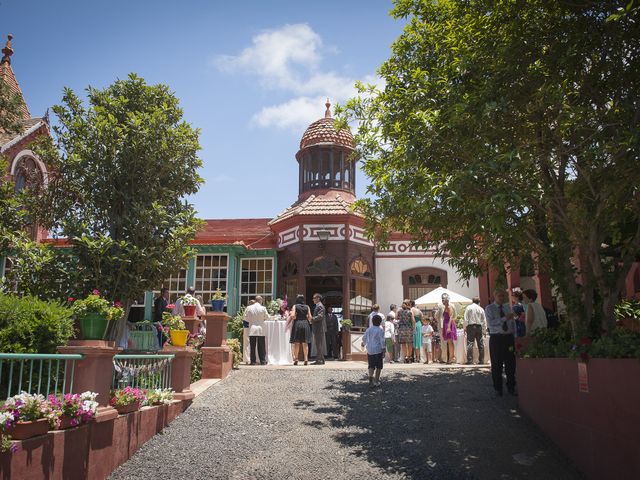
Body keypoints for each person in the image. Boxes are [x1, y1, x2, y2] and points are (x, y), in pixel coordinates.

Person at [485, 290, 517, 396]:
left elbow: (512, 323)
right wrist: (504, 318)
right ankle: (498, 388)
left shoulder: (508, 308)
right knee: (497, 364)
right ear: (494, 296)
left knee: (511, 364)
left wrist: (514, 334)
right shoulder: (489, 308)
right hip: (496, 338)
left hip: (508, 338)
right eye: (499, 295)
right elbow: (491, 323)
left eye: (503, 295)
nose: (501, 297)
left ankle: (511, 387)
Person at [361, 314, 386, 388]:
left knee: (371, 365)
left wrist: (363, 344)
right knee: (379, 366)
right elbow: (382, 340)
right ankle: (377, 380)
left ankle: (370, 379)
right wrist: (383, 349)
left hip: (370, 350)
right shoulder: (380, 330)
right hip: (378, 350)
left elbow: (364, 338)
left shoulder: (369, 329)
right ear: (380, 322)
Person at [244, 295, 269, 365]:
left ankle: (253, 361)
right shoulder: (263, 308)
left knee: (252, 346)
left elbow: (245, 318)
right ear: (260, 300)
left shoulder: (249, 308)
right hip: (261, 328)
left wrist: (247, 324)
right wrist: (262, 319)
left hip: (252, 328)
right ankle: (262, 361)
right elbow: (267, 317)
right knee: (261, 346)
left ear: (255, 300)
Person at [463, 297, 487, 364]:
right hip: (479, 326)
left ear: (472, 301)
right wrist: (484, 330)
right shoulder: (481, 309)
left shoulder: (469, 308)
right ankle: (481, 360)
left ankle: (470, 360)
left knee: (470, 343)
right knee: (480, 344)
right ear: (479, 302)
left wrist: (465, 327)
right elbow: (484, 320)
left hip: (471, 326)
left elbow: (466, 318)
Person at [289, 295, 312, 365]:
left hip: (297, 324)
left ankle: (296, 359)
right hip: (305, 324)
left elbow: (292, 316)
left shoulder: (295, 306)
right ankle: (306, 359)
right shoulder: (307, 307)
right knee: (305, 343)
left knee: (297, 343)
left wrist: (295, 316)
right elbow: (310, 317)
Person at [435, 295, 458, 362]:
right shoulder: (445, 306)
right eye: (442, 300)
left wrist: (448, 327)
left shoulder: (448, 307)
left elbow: (451, 317)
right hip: (445, 324)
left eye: (443, 300)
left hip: (448, 325)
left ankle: (450, 358)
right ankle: (450, 358)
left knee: (449, 342)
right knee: (449, 341)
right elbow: (455, 316)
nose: (442, 301)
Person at [311, 293, 327, 365]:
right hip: (318, 328)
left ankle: (319, 360)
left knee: (319, 344)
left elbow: (320, 316)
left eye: (314, 298)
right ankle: (322, 359)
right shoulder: (318, 306)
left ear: (318, 299)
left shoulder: (320, 306)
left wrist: (312, 319)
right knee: (319, 344)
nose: (313, 299)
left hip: (319, 328)